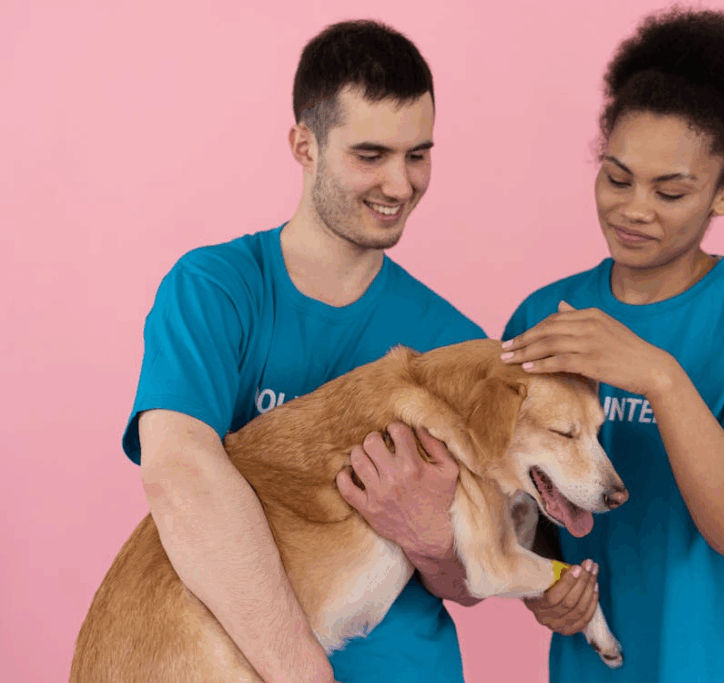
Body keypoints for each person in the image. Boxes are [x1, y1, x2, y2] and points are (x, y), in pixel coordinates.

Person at [123, 20, 484, 683]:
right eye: (370, 155)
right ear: (305, 145)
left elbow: (469, 578)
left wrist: (434, 540)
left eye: (418, 154)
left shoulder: (454, 341)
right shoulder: (215, 289)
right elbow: (180, 478)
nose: (401, 185)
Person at [500, 7, 724, 681]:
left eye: (671, 190)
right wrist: (541, 583)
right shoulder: (544, 314)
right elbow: (516, 496)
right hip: (596, 664)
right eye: (617, 177)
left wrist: (658, 374)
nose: (634, 209)